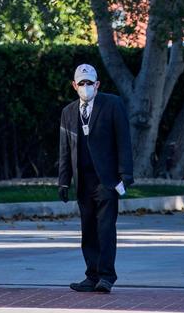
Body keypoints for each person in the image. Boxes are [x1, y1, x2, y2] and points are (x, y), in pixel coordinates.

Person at [57, 63, 133, 293]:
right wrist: (63, 181)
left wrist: (125, 175)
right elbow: (65, 150)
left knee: (106, 229)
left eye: (90, 82)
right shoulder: (69, 112)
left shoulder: (112, 105)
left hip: (107, 180)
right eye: (82, 83)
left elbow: (123, 141)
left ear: (97, 84)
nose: (86, 87)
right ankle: (92, 275)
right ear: (74, 85)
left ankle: (107, 276)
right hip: (83, 181)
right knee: (88, 229)